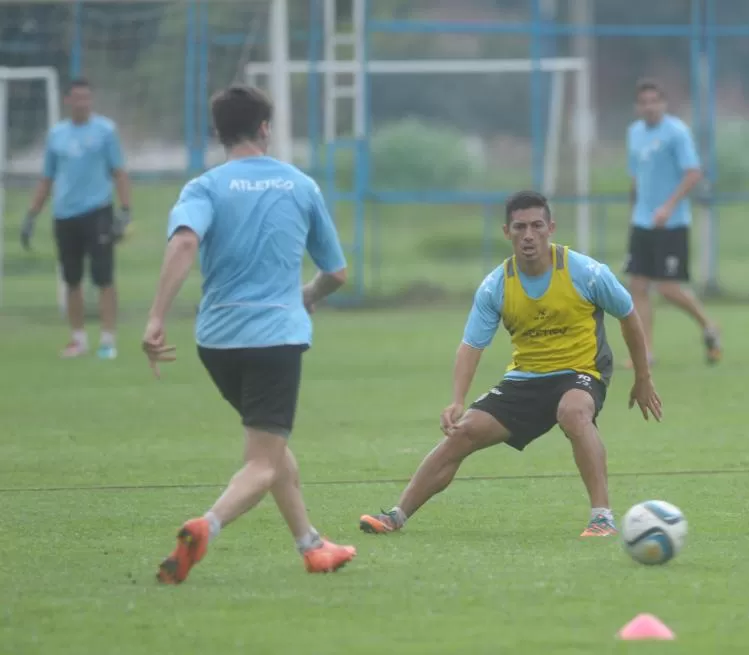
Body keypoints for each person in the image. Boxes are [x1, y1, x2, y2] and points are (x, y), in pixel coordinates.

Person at [141, 84, 356, 584]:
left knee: (269, 444)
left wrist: (155, 317)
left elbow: (184, 242)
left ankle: (311, 545)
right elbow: (336, 273)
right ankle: (206, 527)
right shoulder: (300, 185)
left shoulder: (203, 188)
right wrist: (308, 295)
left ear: (219, 133)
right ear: (264, 128)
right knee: (262, 460)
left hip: (216, 341)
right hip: (275, 337)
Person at [359, 190, 663, 538]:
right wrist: (457, 400)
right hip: (526, 379)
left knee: (574, 412)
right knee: (464, 432)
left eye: (536, 226)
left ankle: (602, 517)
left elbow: (628, 316)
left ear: (551, 228)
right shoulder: (496, 285)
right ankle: (396, 516)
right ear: (507, 232)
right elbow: (472, 346)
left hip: (581, 371)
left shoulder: (586, 272)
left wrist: (643, 377)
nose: (528, 235)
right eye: (520, 227)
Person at [20, 78, 132, 360]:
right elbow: (47, 178)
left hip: (98, 212)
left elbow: (119, 172)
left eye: (87, 98)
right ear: (68, 100)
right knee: (72, 280)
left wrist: (125, 210)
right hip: (65, 215)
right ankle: (78, 340)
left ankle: (108, 340)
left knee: (104, 277)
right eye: (77, 98)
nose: (83, 103)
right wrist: (32, 214)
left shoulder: (105, 130)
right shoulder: (56, 135)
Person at [624, 78, 721, 367]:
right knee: (637, 286)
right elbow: (636, 175)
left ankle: (708, 324)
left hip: (671, 224)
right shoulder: (634, 133)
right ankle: (645, 353)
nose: (649, 106)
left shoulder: (676, 132)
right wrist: (634, 210)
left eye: (654, 101)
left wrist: (667, 207)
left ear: (664, 103)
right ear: (637, 106)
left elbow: (693, 173)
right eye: (644, 102)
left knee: (666, 288)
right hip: (642, 223)